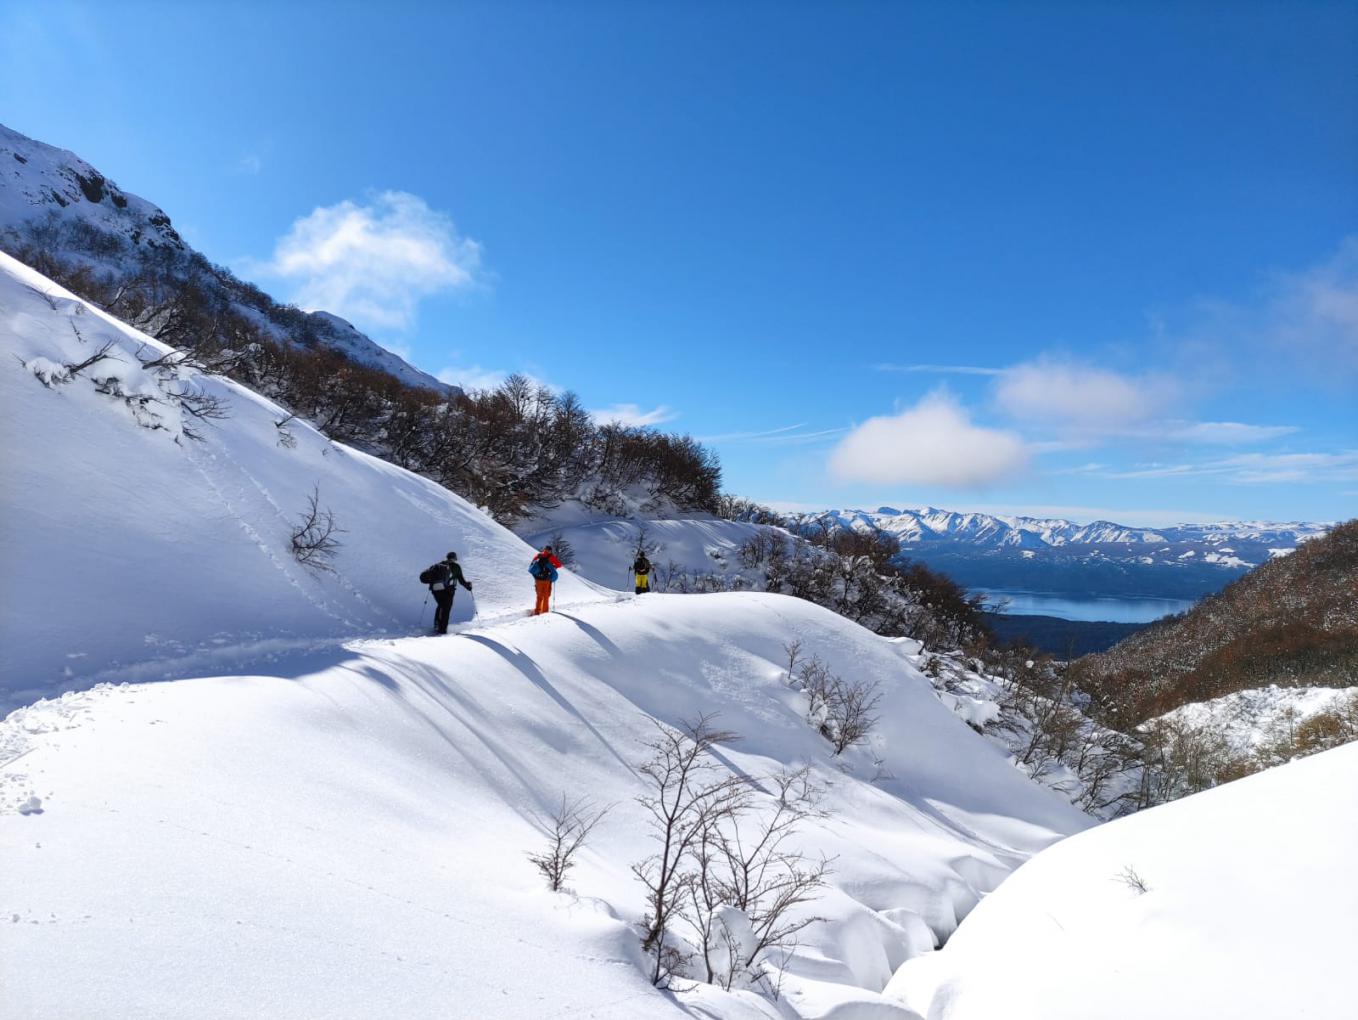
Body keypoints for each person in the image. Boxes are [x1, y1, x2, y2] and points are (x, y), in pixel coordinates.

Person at [422, 551, 472, 634]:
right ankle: (442, 630)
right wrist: (468, 586)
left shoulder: (439, 565)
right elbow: (461, 580)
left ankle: (437, 625)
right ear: (454, 558)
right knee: (446, 609)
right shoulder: (456, 567)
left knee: (441, 605)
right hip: (448, 591)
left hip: (436, 590)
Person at [529, 545, 561, 616]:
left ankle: (537, 611)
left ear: (544, 549)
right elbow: (559, 565)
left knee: (539, 596)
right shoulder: (551, 557)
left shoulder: (539, 555)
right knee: (546, 596)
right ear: (550, 551)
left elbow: (532, 564)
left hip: (538, 579)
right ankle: (544, 613)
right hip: (547, 580)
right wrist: (553, 567)